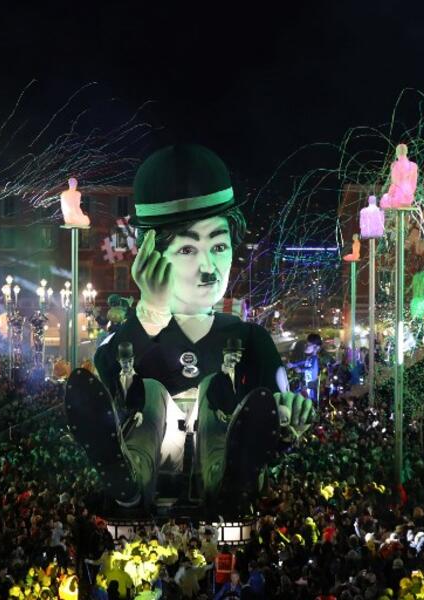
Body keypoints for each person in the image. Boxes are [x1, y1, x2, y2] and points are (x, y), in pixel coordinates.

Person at [65, 144, 313, 514]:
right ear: (151, 255)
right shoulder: (135, 336)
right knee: (149, 395)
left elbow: (271, 405)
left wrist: (287, 413)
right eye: (187, 250)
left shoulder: (250, 338)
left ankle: (228, 478)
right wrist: (150, 313)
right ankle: (129, 474)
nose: (210, 268)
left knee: (217, 397)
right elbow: (105, 378)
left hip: (219, 450)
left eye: (219, 246)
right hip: (154, 453)